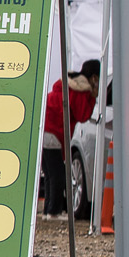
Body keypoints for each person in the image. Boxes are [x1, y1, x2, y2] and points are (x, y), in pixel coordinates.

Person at [40, 59, 101, 216]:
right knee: (58, 176)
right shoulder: (81, 89)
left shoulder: (70, 83)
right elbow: (82, 115)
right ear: (94, 77)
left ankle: (48, 211)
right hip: (53, 130)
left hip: (43, 127)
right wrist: (93, 97)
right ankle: (53, 213)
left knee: (50, 174)